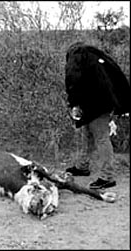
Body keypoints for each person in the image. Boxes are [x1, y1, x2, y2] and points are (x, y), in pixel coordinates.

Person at [64, 42, 130, 189]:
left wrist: (74, 104)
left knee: (101, 138)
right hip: (99, 102)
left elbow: (72, 80)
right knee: (85, 134)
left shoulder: (77, 58)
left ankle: (107, 177)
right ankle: (82, 167)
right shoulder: (96, 57)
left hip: (97, 104)